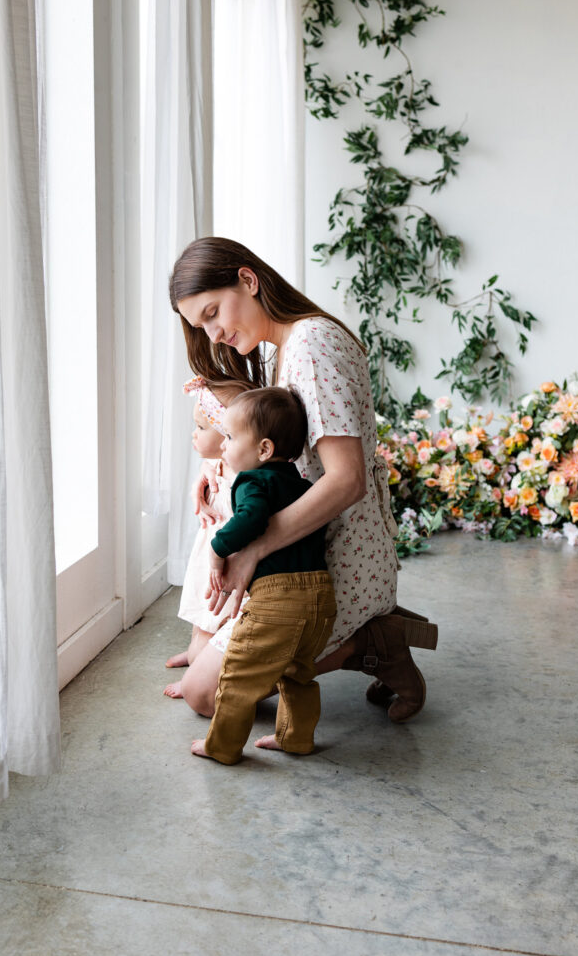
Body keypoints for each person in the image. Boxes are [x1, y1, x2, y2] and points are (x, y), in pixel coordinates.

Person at [169, 236, 438, 725]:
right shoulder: (288, 347)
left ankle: (374, 643)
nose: (213, 335)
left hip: (334, 562)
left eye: (212, 313)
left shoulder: (312, 347)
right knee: (203, 672)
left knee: (205, 697)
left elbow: (346, 481)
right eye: (200, 326)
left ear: (248, 281)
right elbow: (277, 452)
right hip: (304, 547)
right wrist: (216, 467)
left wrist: (253, 550)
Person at [191, 386, 336, 764]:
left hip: (279, 599)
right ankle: (296, 738)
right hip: (320, 597)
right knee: (298, 673)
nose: (223, 445)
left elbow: (251, 518)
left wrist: (218, 547)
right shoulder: (301, 484)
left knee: (238, 674)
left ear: (264, 450)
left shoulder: (252, 481)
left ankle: (220, 747)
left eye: (230, 437)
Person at [164, 376, 250, 701]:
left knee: (213, 620)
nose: (194, 434)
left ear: (229, 434)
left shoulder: (243, 476)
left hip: (226, 565)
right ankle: (195, 649)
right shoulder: (215, 465)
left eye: (202, 427)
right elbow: (212, 462)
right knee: (201, 612)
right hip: (208, 559)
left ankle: (199, 662)